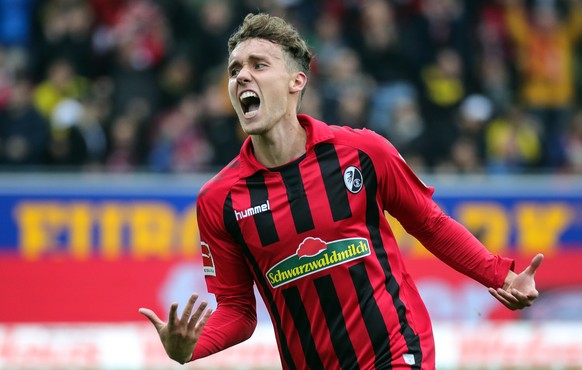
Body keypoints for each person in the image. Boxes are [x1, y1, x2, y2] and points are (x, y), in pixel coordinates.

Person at [139, 13, 544, 369]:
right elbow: (239, 311)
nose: (241, 76)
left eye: (258, 65)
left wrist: (501, 275)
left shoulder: (364, 152)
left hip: (397, 350)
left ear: (297, 81)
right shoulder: (219, 200)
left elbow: (430, 223)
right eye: (234, 70)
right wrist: (190, 348)